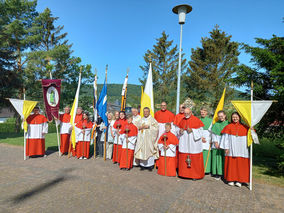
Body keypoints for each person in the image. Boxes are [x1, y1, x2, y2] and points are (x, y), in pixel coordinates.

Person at [220, 112, 250, 187]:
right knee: (231, 165)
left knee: (241, 165)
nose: (235, 118)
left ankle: (239, 180)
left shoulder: (245, 127)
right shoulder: (228, 126)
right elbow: (225, 138)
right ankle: (231, 179)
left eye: (236, 117)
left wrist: (252, 130)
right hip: (231, 149)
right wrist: (226, 148)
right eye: (233, 117)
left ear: (239, 117)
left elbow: (252, 136)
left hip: (242, 149)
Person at [177, 108, 205, 180]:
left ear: (191, 112)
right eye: (185, 113)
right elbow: (177, 131)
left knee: (195, 159)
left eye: (187, 113)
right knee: (183, 157)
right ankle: (183, 174)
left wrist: (193, 130)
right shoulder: (182, 120)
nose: (186, 115)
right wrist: (180, 131)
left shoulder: (196, 120)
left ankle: (195, 175)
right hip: (184, 143)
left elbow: (201, 132)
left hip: (194, 144)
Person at [211, 110, 229, 180]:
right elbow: (213, 134)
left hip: (225, 142)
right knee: (217, 158)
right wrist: (215, 142)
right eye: (219, 116)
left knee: (224, 158)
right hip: (217, 142)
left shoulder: (228, 123)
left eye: (222, 116)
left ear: (225, 116)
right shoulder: (216, 124)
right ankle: (217, 173)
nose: (220, 117)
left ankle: (224, 173)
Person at [200, 107, 213, 174]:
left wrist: (211, 139)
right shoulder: (198, 120)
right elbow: (197, 130)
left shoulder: (210, 121)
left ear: (207, 113)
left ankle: (207, 170)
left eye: (204, 112)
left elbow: (212, 131)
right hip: (200, 139)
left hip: (208, 139)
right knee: (201, 154)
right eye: (202, 112)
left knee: (207, 153)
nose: (203, 113)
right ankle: (201, 168)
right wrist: (201, 137)